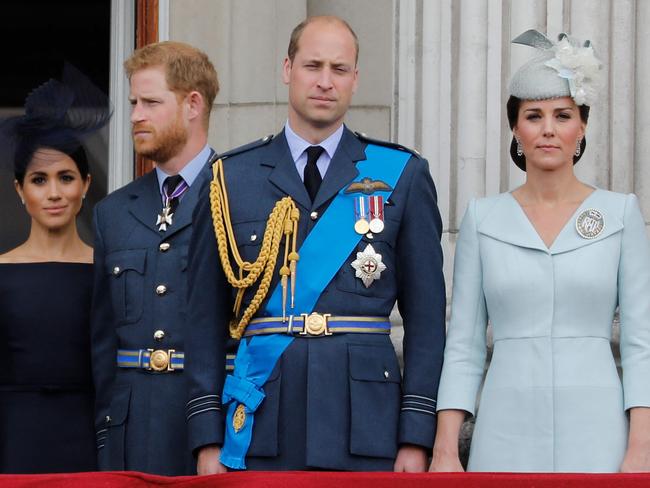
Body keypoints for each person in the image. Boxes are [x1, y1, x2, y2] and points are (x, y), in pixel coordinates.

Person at [186, 15, 446, 474]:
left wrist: (416, 435)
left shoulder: (401, 174)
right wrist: (207, 438)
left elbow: (426, 321)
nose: (325, 82)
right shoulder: (231, 178)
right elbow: (204, 320)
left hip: (367, 427)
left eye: (339, 69)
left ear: (355, 79)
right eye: (313, 66)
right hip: (260, 425)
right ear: (287, 68)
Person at [430, 30, 650, 473]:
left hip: (600, 428)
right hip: (504, 427)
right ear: (515, 127)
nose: (548, 129)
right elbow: (464, 345)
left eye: (562, 115)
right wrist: (445, 449)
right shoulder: (483, 218)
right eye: (533, 115)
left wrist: (641, 447)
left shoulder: (620, 214)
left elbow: (640, 341)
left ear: (582, 124)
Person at [91, 41, 219, 475]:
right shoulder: (113, 212)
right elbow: (104, 341)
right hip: (130, 434)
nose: (134, 116)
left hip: (212, 430)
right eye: (132, 103)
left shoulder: (240, 196)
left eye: (150, 102)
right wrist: (107, 434)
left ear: (192, 104)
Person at [0, 65, 110, 473]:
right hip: (13, 439)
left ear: (84, 183)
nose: (54, 193)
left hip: (90, 440)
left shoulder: (108, 273)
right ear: (20, 190)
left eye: (65, 177)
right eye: (39, 180)